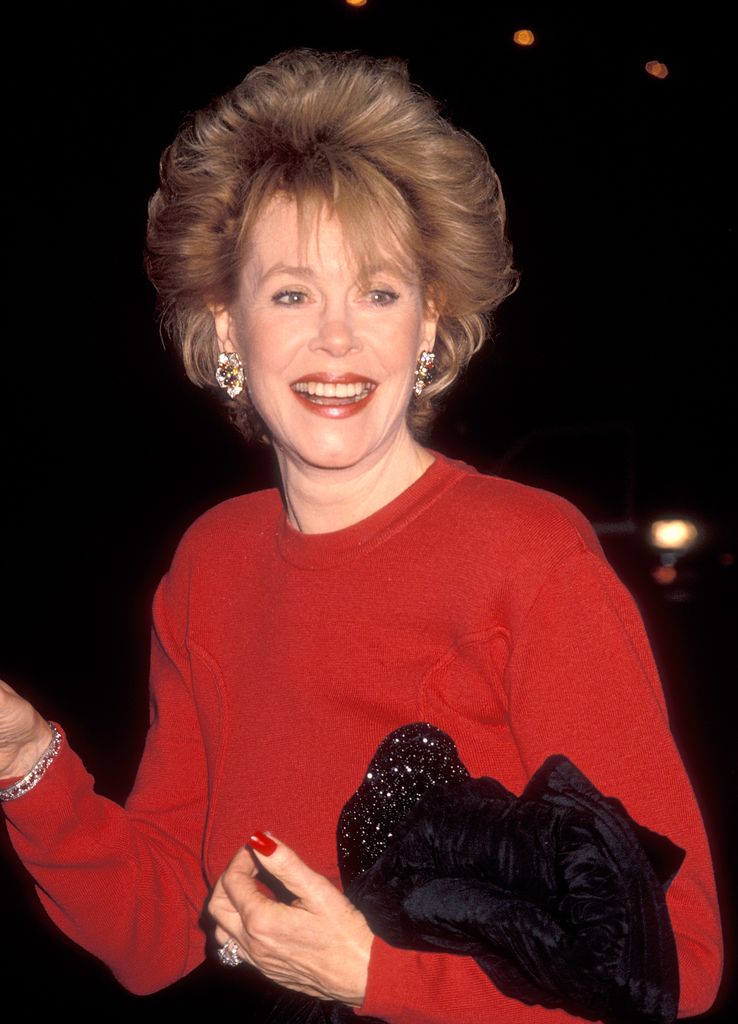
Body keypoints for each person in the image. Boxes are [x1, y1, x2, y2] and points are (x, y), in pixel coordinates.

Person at [0, 50, 723, 1023]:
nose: (336, 339)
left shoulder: (529, 561)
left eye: (378, 293)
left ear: (429, 324)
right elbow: (160, 927)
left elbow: (674, 957)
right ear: (226, 330)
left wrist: (376, 977)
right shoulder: (211, 565)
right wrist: (24, 761)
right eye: (292, 293)